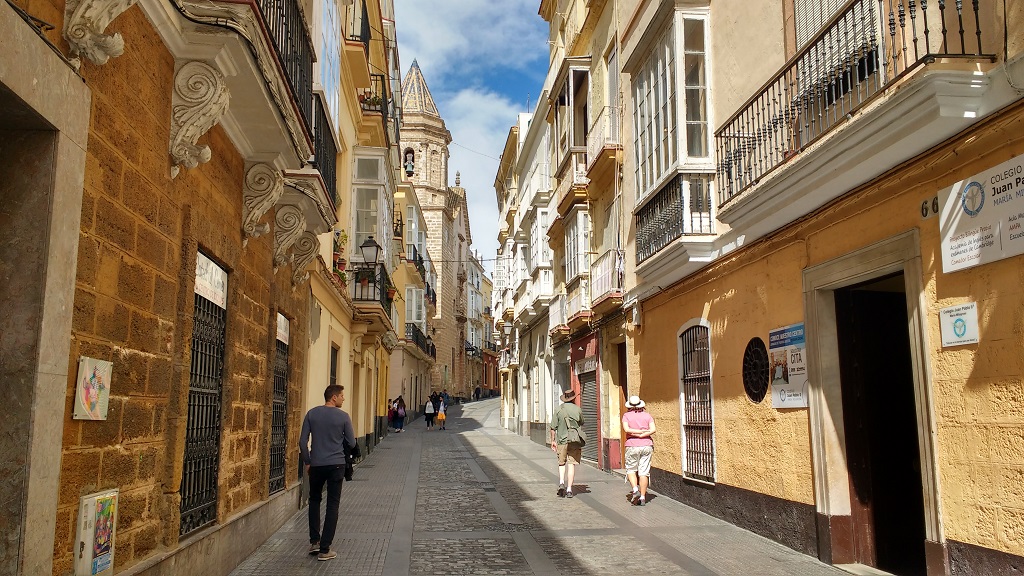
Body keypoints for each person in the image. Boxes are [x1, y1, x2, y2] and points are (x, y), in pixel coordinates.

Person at [300, 385, 355, 561]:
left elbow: (302, 442)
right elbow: (352, 442)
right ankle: (325, 549)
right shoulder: (343, 417)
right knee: (333, 504)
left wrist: (308, 461)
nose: (343, 399)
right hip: (336, 465)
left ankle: (314, 541)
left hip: (316, 464)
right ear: (334, 397)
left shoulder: (311, 414)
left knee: (314, 500)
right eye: (342, 396)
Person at [622, 395, 656, 506]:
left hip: (632, 445)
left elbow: (626, 429)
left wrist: (636, 433)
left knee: (631, 469)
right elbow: (653, 429)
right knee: (644, 471)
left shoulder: (626, 416)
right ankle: (642, 497)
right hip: (647, 445)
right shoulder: (647, 416)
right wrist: (643, 434)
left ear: (630, 406)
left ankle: (635, 489)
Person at [549, 388, 584, 498]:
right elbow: (582, 422)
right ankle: (569, 489)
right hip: (574, 441)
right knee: (571, 464)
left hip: (562, 441)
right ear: (573, 399)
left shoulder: (558, 410)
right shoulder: (578, 409)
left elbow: (552, 427)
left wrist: (553, 441)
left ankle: (561, 483)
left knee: (561, 463)